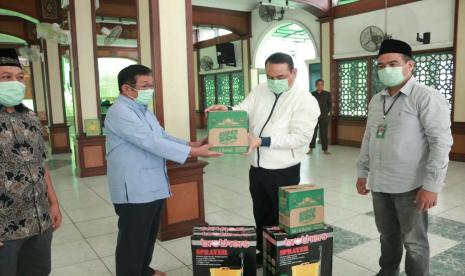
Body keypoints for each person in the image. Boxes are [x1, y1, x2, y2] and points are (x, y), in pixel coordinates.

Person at [104, 64, 222, 276]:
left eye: (152, 85)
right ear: (127, 89)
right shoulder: (120, 111)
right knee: (132, 240)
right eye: (144, 85)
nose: (150, 89)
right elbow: (150, 141)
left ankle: (143, 270)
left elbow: (162, 136)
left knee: (147, 235)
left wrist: (192, 144)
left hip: (151, 184)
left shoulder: (143, 110)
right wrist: (193, 153)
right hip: (134, 188)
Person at [206, 52, 320, 265]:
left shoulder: (305, 100)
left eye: (280, 77)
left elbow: (300, 137)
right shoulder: (261, 89)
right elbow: (244, 109)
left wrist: (263, 141)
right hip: (257, 167)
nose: (274, 82)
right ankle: (263, 251)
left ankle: (282, 257)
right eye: (270, 77)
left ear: (293, 73)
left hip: (283, 170)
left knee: (281, 218)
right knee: (261, 213)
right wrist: (228, 109)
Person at [356, 39, 453, 276]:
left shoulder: (426, 97)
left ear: (410, 66)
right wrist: (362, 172)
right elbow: (369, 138)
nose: (386, 69)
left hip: (410, 185)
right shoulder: (377, 100)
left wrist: (432, 185)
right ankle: (387, 271)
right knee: (387, 235)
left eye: (393, 63)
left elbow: (441, 143)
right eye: (381, 65)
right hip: (380, 184)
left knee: (414, 242)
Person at [0, 48, 62, 276]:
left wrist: (53, 203)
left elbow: (41, 163)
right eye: (6, 77)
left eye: (19, 77)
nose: (15, 83)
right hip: (5, 228)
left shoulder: (30, 117)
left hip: (39, 221)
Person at [308, 79, 332, 155]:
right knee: (313, 133)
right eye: (318, 84)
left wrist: (325, 112)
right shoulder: (311, 94)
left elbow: (330, 105)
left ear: (323, 85)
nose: (320, 86)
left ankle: (325, 149)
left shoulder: (327, 94)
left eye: (321, 84)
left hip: (324, 117)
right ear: (316, 85)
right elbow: (309, 105)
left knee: (324, 133)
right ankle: (310, 149)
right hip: (314, 117)